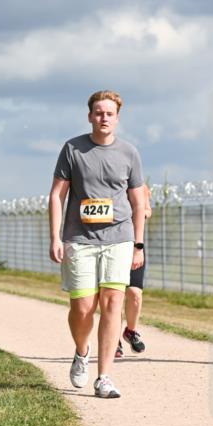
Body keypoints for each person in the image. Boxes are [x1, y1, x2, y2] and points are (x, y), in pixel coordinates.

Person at [48, 90, 145, 398]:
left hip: (119, 238)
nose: (104, 118)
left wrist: (138, 244)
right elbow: (56, 196)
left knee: (113, 303)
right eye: (99, 113)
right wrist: (55, 237)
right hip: (80, 239)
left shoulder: (129, 153)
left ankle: (104, 377)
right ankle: (81, 350)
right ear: (90, 116)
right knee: (83, 307)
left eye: (110, 113)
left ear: (117, 118)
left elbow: (138, 201)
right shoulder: (72, 149)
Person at [117, 183, 151, 359]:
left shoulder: (141, 186)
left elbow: (147, 210)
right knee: (114, 295)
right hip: (112, 244)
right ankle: (114, 339)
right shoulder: (109, 184)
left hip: (134, 247)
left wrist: (142, 212)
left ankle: (130, 331)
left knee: (134, 293)